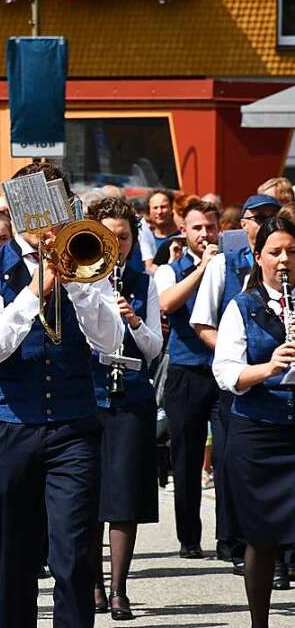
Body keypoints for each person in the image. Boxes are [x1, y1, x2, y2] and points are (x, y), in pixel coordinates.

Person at [0, 162, 123, 628]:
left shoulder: (88, 261)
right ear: (17, 212)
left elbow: (111, 343)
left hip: (73, 428)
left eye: (55, 209)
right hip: (10, 429)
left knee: (74, 556)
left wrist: (77, 288)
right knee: (10, 557)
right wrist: (36, 291)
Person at [190, 193, 281, 572]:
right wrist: (241, 358)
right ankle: (233, 540)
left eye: (269, 217)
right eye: (254, 217)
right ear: (242, 224)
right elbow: (203, 323)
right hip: (239, 383)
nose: (260, 223)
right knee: (230, 462)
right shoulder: (225, 264)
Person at [213, 215, 295, 628]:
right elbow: (227, 374)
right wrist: (269, 366)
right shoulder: (241, 306)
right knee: (261, 538)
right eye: (275, 252)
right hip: (258, 436)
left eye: (292, 252)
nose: (284, 261)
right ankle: (259, 622)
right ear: (258, 257)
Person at [85, 198, 163, 620]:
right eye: (109, 237)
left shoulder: (142, 281)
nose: (118, 246)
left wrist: (134, 321)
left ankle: (118, 589)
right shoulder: (80, 278)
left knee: (124, 495)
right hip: (89, 396)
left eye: (125, 238)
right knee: (90, 492)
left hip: (130, 396)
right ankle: (93, 585)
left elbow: (154, 349)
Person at [154, 197, 221, 559]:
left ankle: (231, 540)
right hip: (186, 371)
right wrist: (202, 269)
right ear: (184, 231)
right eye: (197, 228)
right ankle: (189, 538)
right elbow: (167, 304)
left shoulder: (231, 266)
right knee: (186, 456)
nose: (204, 234)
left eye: (210, 227)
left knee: (228, 457)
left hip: (224, 372)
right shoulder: (171, 268)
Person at [140, 189, 179, 271]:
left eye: (163, 207)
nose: (159, 211)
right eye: (155, 208)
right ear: (149, 211)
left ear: (172, 208)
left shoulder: (180, 237)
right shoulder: (145, 238)